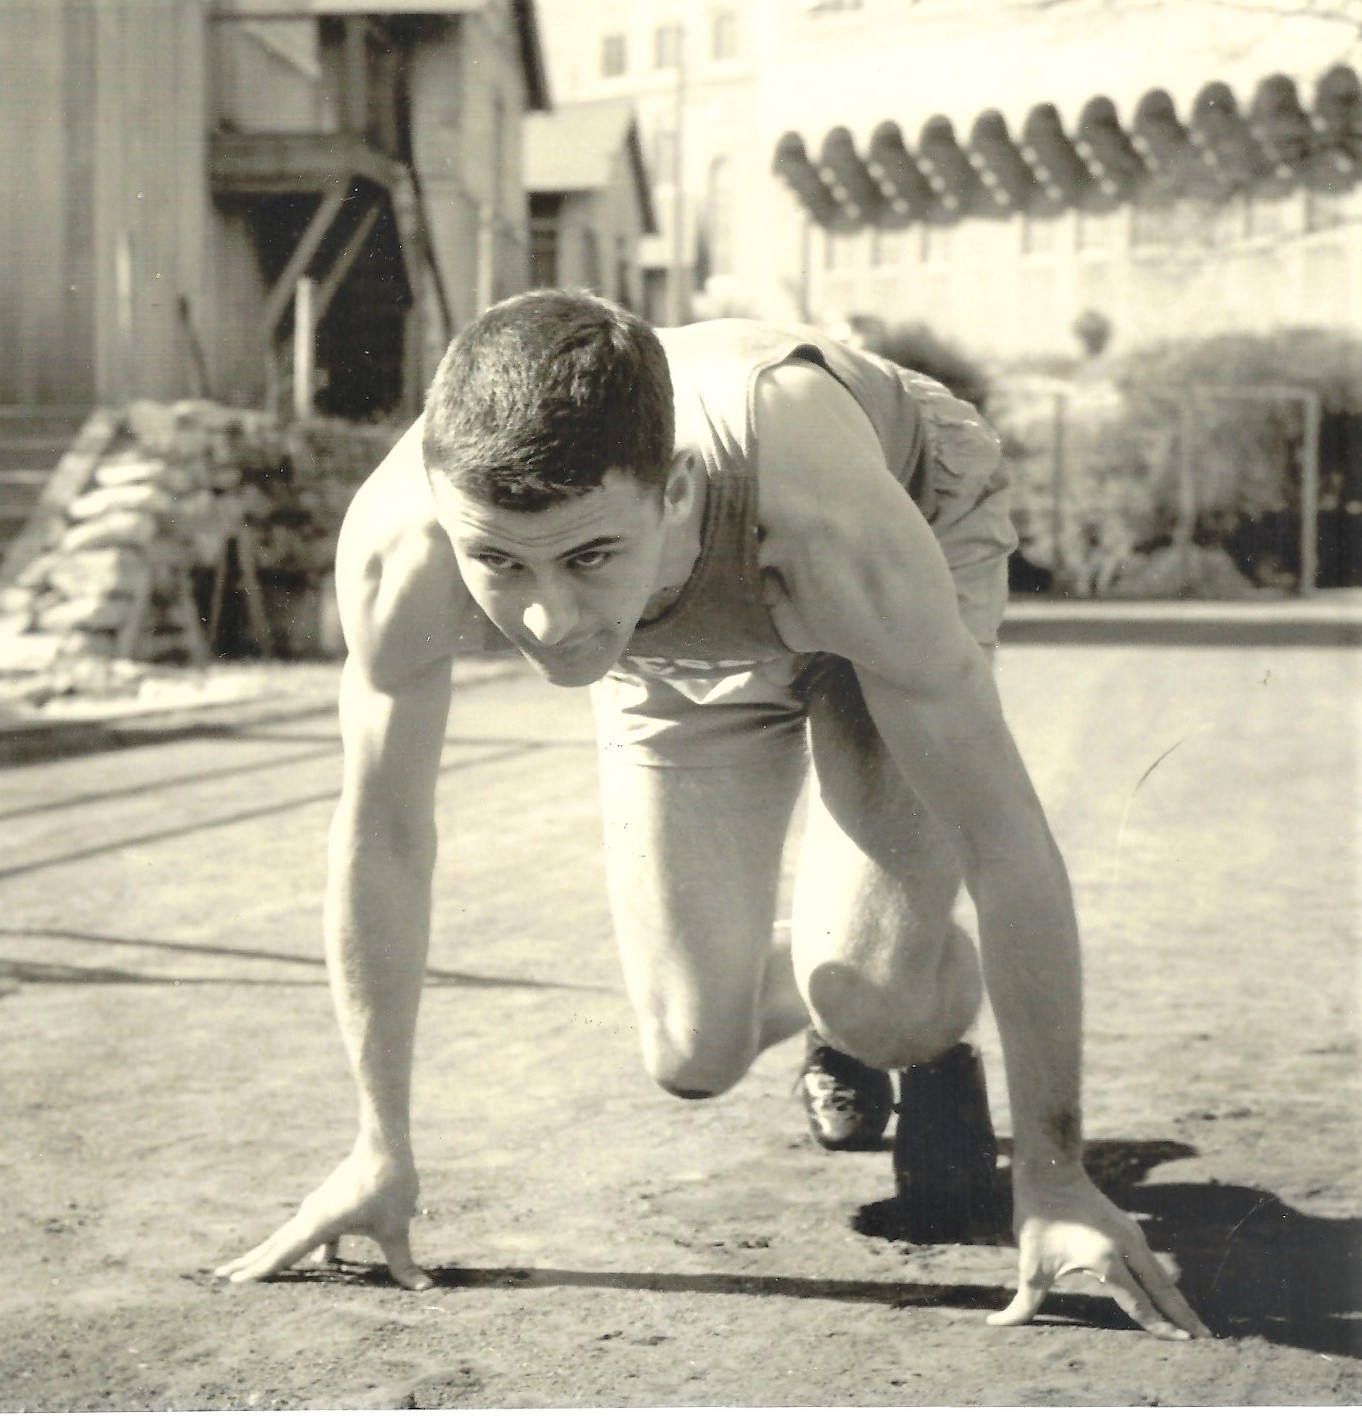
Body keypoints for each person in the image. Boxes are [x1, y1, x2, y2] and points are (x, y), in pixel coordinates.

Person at [216, 290, 1208, 1341]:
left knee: (877, 1001)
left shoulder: (836, 521)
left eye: (585, 555)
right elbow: (384, 832)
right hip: (669, 619)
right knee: (692, 1051)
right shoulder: (404, 541)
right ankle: (836, 980)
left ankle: (892, 1004)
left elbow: (1003, 839)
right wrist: (378, 1143)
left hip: (886, 535)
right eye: (500, 562)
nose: (545, 620)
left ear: (677, 488)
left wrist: (1055, 1173)